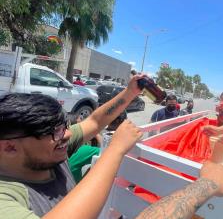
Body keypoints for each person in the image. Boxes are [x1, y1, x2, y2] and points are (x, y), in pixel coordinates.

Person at [0, 74, 144, 218]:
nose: (68, 135)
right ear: (10, 147)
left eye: (65, 126)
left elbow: (94, 122)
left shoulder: (51, 149)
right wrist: (115, 149)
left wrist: (130, 92)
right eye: (56, 132)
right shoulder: (5, 199)